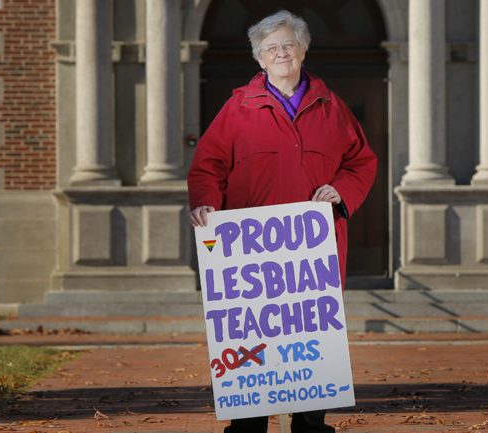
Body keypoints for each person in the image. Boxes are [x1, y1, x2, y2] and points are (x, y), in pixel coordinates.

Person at [187, 10, 377, 433]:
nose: (280, 53)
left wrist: (341, 191)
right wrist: (205, 203)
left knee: (309, 339)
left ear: (303, 49)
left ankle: (310, 426)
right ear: (259, 59)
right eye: (271, 48)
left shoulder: (332, 107)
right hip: (251, 257)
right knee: (254, 339)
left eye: (288, 45)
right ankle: (248, 426)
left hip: (312, 255)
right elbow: (208, 166)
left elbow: (361, 162)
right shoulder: (238, 107)